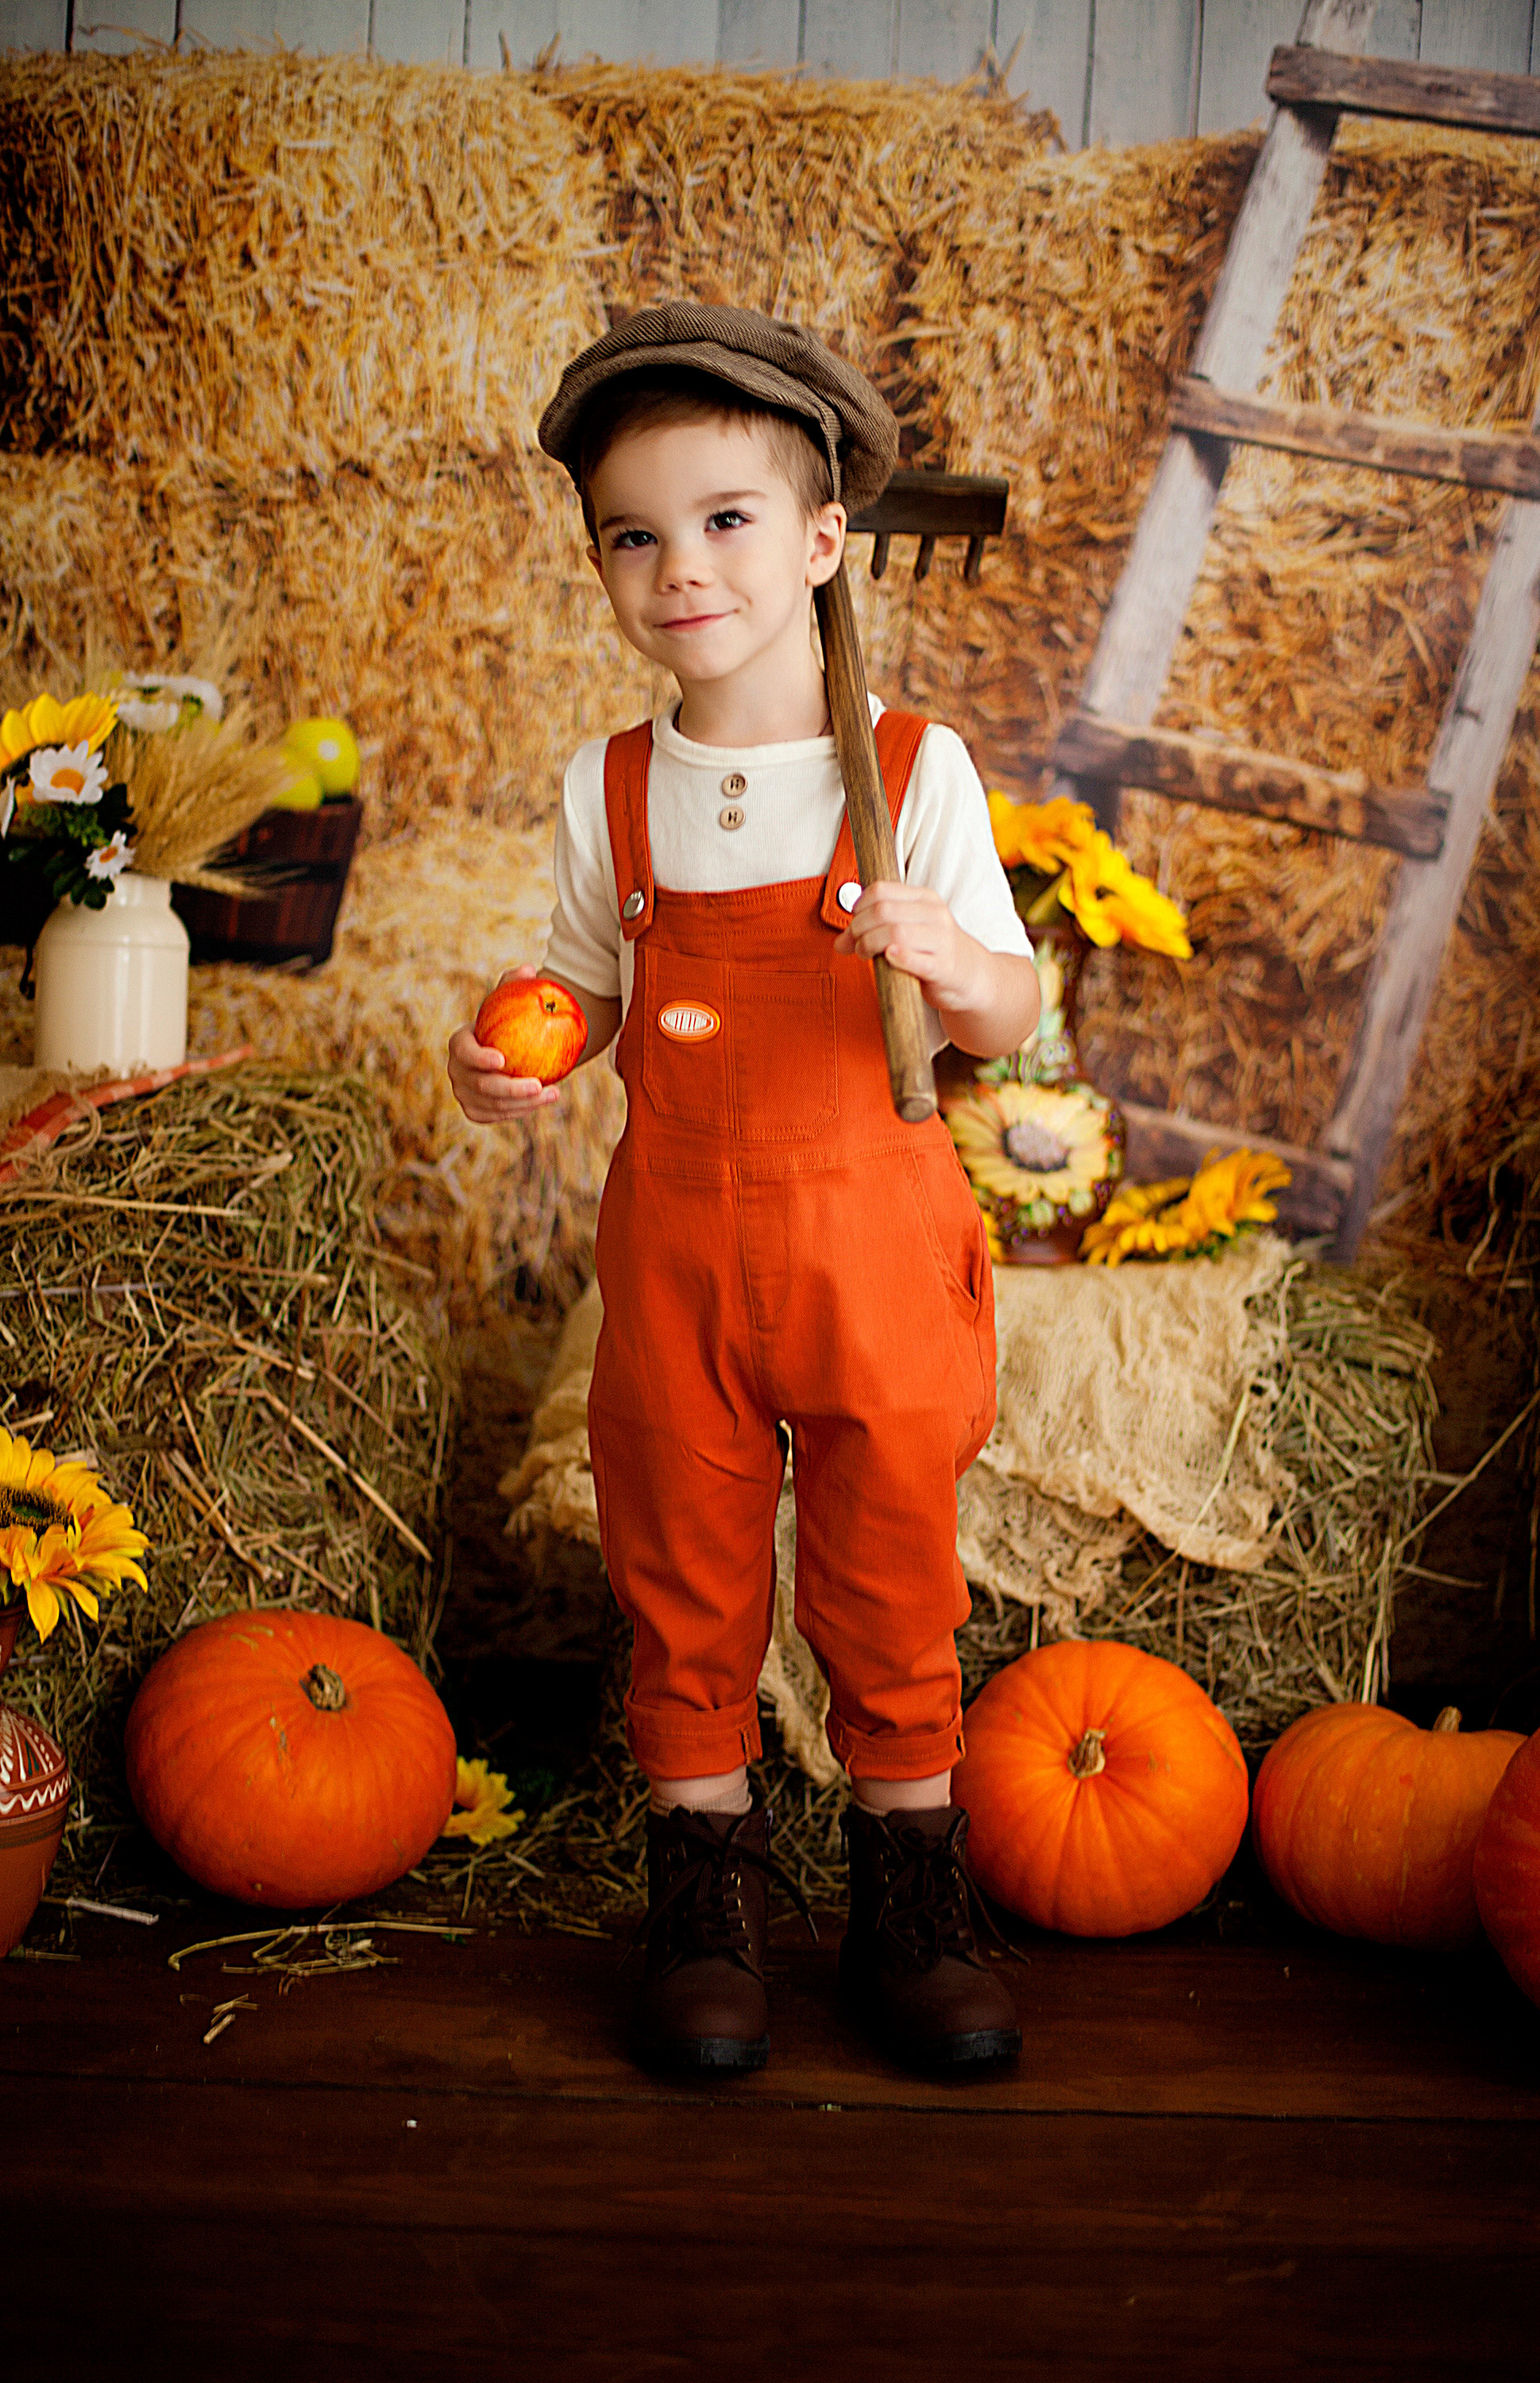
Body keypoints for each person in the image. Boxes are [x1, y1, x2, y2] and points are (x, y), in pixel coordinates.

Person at [448, 302, 1039, 2074]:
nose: (676, 565)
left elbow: (1011, 1010)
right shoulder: (614, 785)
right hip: (684, 1263)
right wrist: (514, 1059)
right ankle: (706, 1899)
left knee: (884, 1571)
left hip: (873, 1252)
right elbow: (589, 995)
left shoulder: (914, 770)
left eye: (722, 520)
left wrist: (948, 959)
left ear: (819, 540)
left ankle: (906, 1906)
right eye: (633, 531)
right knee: (682, 1568)